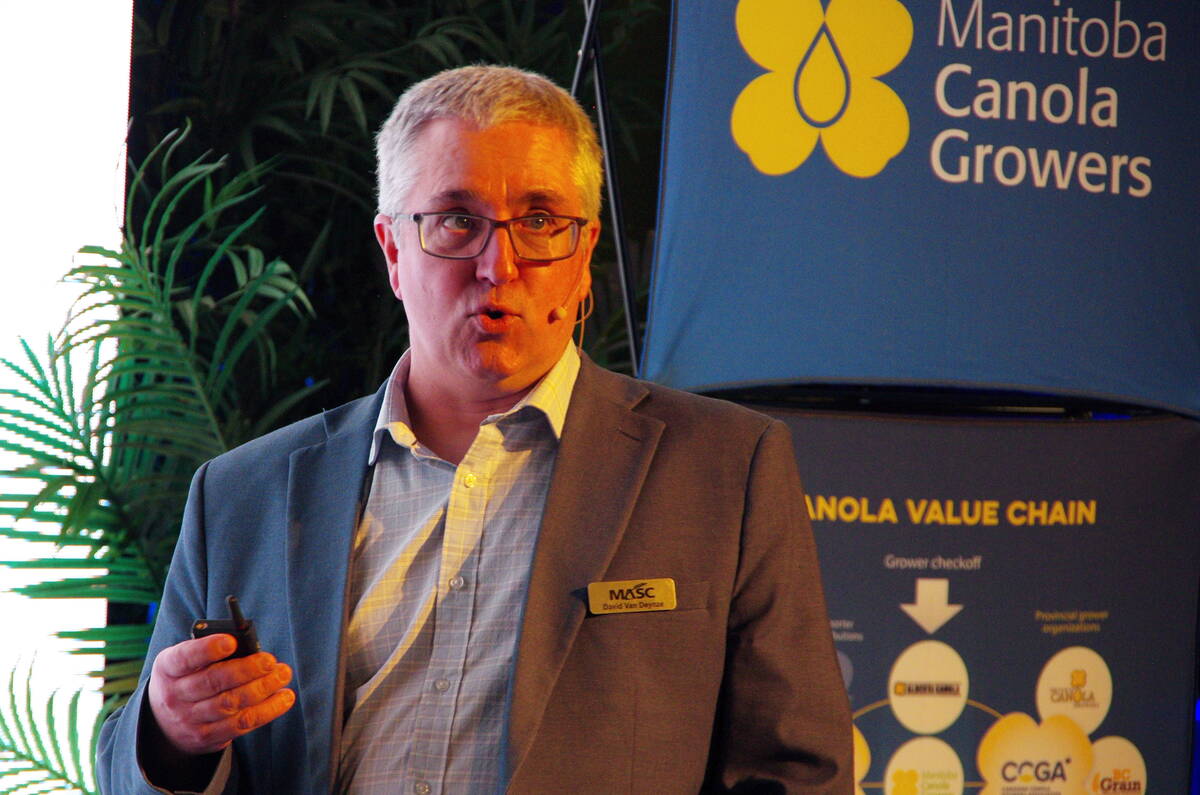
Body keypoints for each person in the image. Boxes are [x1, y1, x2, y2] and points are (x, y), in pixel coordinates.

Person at [97, 65, 852, 793]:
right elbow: (132, 769)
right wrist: (168, 730)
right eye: (457, 221)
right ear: (393, 251)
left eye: (541, 221)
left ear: (584, 254)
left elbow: (794, 772)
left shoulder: (722, 470)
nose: (500, 263)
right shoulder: (243, 493)